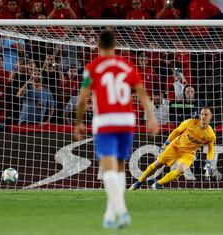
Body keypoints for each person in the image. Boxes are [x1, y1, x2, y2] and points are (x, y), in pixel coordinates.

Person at [74, 30, 159, 229]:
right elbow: (142, 93)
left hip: (105, 120)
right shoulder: (127, 66)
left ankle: (122, 212)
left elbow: (82, 98)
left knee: (108, 169)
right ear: (115, 46)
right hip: (127, 120)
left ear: (97, 46)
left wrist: (78, 121)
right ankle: (110, 215)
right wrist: (151, 118)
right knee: (120, 166)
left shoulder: (92, 68)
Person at [129, 107, 216, 190]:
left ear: (211, 116)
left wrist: (208, 162)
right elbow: (176, 131)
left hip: (188, 153)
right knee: (158, 164)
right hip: (175, 146)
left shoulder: (210, 135)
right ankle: (139, 182)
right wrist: (165, 144)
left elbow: (210, 149)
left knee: (181, 170)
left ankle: (157, 184)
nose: (203, 116)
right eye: (202, 114)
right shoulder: (190, 123)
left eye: (206, 114)